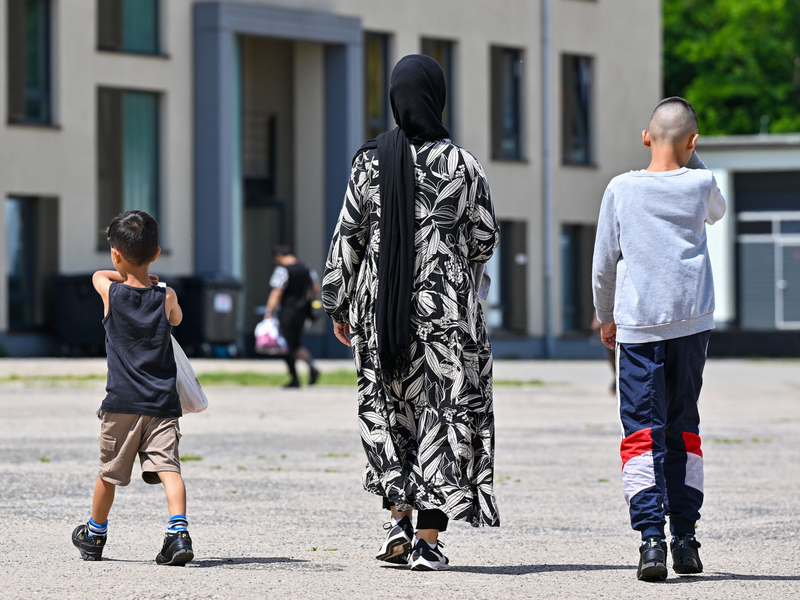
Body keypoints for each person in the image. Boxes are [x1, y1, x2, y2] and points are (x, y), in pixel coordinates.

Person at [322, 55, 500, 571]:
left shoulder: (369, 161)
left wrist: (339, 303)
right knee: (441, 419)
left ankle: (397, 525)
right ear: (436, 97)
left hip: (381, 313)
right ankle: (427, 540)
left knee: (389, 412)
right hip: (446, 318)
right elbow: (483, 239)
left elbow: (347, 239)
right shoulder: (463, 165)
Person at [592, 97, 726, 582]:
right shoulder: (700, 182)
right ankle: (686, 538)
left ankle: (651, 541)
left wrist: (605, 315)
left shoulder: (621, 189)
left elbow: (605, 261)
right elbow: (719, 211)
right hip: (691, 326)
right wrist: (692, 153)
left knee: (641, 433)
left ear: (645, 138)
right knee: (683, 426)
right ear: (693, 143)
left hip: (639, 326)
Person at [72, 210, 193, 566]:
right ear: (156, 252)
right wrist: (153, 281)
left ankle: (94, 535)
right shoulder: (166, 295)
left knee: (109, 472)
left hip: (121, 402)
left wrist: (125, 271)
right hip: (161, 403)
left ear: (115, 253)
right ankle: (178, 533)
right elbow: (178, 320)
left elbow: (99, 274)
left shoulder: (110, 290)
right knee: (170, 469)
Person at [264, 245, 320, 388]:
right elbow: (315, 288)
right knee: (295, 343)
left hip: (288, 312)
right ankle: (311, 366)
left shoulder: (283, 270)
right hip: (303, 313)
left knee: (285, 345)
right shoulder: (307, 268)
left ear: (278, 256)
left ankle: (295, 378)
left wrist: (269, 311)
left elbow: (277, 291)